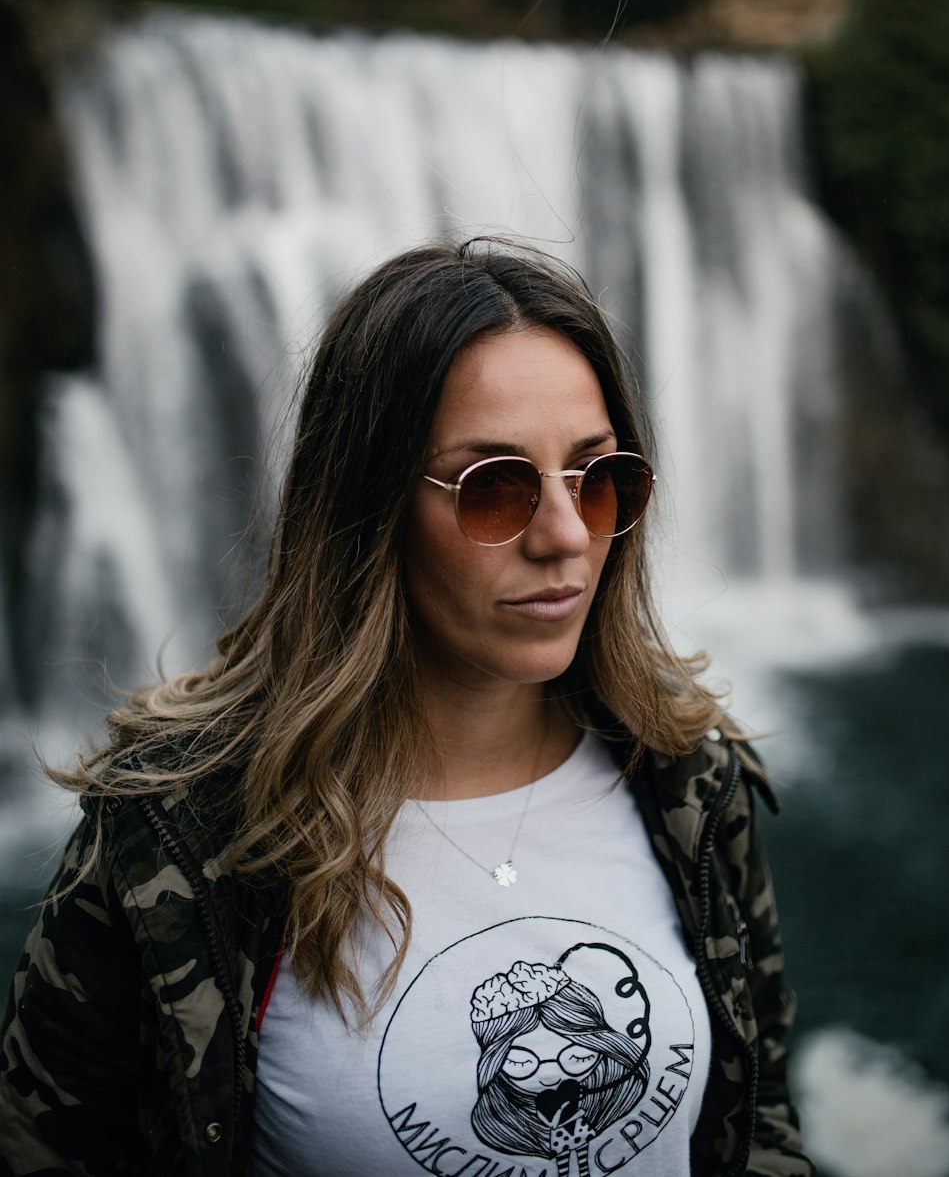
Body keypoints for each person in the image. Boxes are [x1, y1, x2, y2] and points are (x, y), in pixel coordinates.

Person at [0, 238, 814, 1177]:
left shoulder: (686, 777)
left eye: (598, 478)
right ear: (368, 504)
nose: (562, 536)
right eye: (494, 487)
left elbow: (761, 1122)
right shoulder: (178, 835)